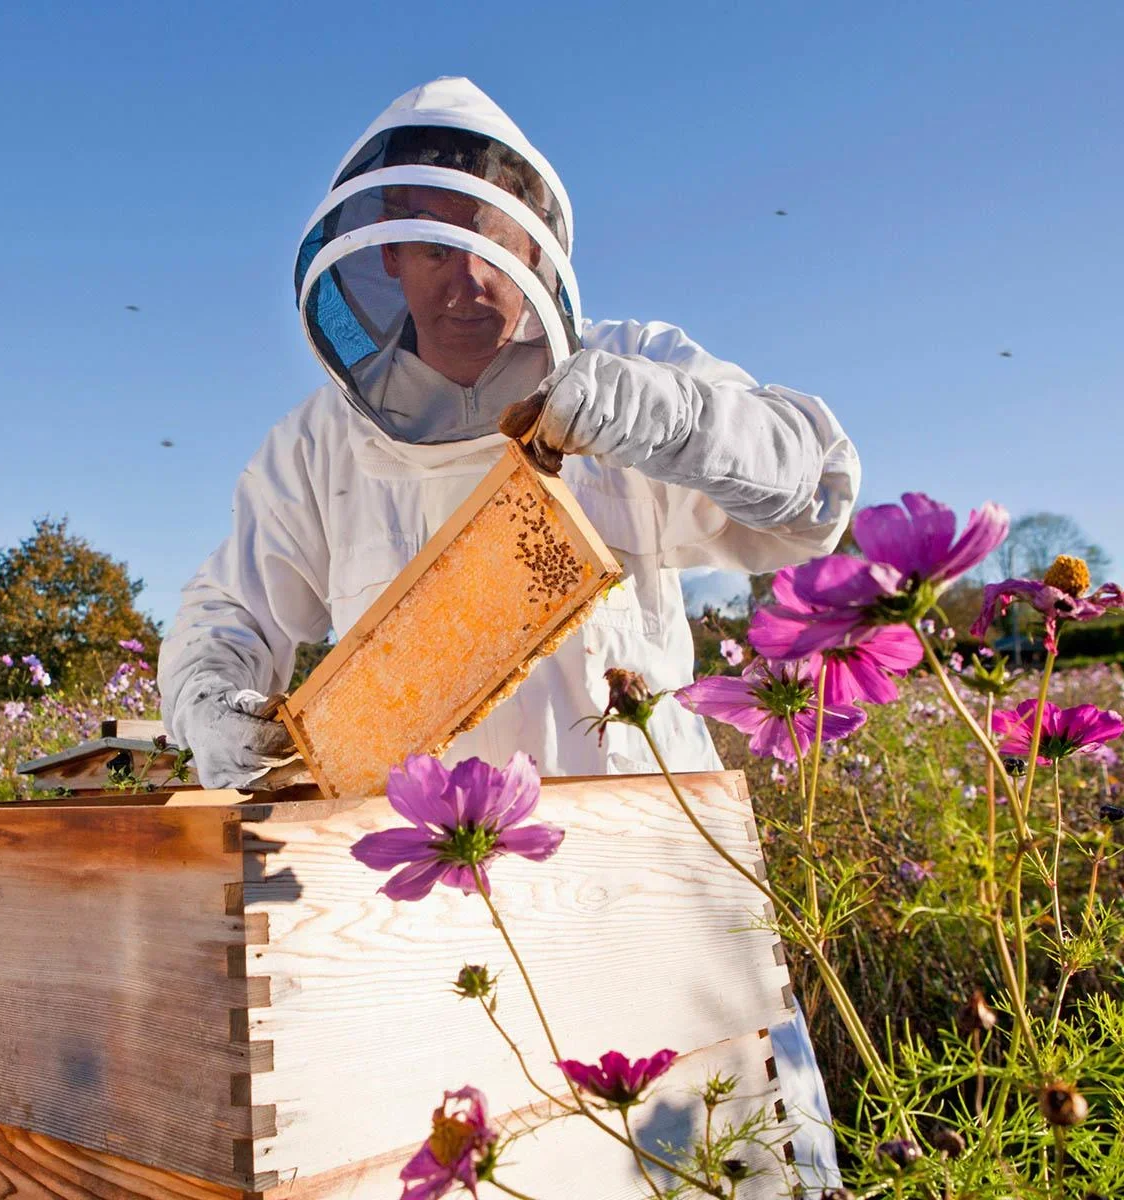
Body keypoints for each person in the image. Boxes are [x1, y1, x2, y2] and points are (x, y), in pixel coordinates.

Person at [159, 77, 857, 1190]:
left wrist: (663, 417)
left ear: (534, 248)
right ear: (384, 258)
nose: (467, 277)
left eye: (489, 239)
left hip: (653, 873)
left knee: (726, 1162)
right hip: (433, 907)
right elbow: (228, 610)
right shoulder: (317, 446)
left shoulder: (630, 360)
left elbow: (813, 487)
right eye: (435, 251)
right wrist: (210, 699)